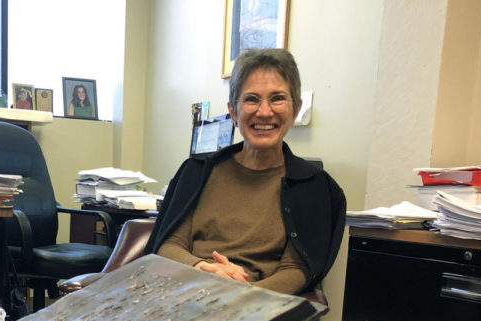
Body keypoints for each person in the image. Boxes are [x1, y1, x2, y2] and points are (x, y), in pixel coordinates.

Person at [145, 48, 346, 296]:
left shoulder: (315, 187)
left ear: (296, 110)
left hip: (259, 307)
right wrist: (205, 271)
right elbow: (169, 244)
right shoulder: (196, 173)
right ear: (233, 111)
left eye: (277, 98)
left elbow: (297, 269)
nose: (264, 112)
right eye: (251, 99)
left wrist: (243, 294)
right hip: (183, 293)